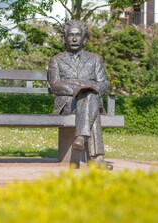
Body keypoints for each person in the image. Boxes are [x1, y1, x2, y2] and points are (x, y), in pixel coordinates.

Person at [47, 20, 112, 170]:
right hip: (68, 103)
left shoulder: (96, 59)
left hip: (91, 99)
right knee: (90, 100)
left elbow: (103, 84)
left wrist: (91, 89)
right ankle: (97, 158)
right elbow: (55, 85)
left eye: (78, 35)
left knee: (90, 97)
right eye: (71, 35)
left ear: (84, 39)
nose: (74, 39)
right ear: (65, 39)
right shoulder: (56, 60)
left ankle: (81, 137)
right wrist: (79, 89)